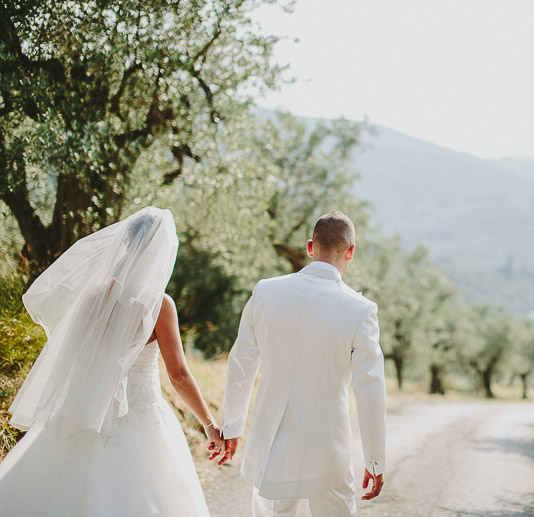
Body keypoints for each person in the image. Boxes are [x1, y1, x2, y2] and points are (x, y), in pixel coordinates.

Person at [0, 207, 223, 516]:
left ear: (127, 243)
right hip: (142, 414)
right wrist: (210, 425)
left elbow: (72, 358)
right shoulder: (159, 304)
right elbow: (179, 376)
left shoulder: (93, 297)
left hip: (88, 408)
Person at [215, 210, 386, 517]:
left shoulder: (265, 291)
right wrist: (375, 460)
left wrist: (231, 426)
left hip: (271, 441)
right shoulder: (360, 310)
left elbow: (241, 363)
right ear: (351, 251)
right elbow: (370, 390)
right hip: (328, 450)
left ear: (310, 247)